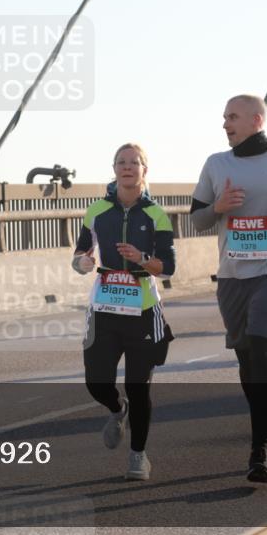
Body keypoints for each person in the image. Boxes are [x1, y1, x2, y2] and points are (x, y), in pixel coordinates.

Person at [191, 94, 267, 483]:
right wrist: (218, 207)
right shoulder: (216, 164)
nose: (225, 123)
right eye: (223, 117)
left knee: (260, 347)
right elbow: (197, 221)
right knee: (246, 361)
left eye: (232, 117)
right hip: (231, 276)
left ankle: (259, 452)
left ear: (256, 120)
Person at [72, 143, 175, 481]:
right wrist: (84, 262)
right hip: (104, 308)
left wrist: (141, 258)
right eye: (121, 162)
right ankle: (118, 410)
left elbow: (168, 267)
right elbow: (79, 256)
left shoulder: (156, 214)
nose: (127, 167)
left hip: (143, 309)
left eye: (134, 162)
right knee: (95, 381)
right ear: (114, 168)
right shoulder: (97, 210)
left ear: (145, 169)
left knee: (138, 386)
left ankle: (138, 456)